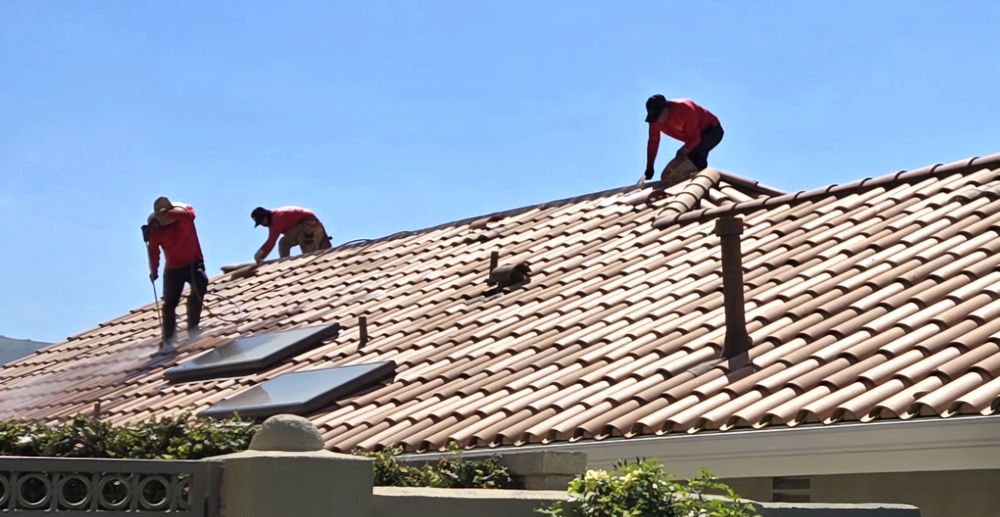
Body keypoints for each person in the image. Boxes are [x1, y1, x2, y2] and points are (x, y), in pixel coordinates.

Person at [144, 197, 208, 346]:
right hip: (173, 269)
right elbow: (153, 251)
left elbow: (189, 215)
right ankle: (169, 338)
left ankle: (193, 328)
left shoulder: (184, 219)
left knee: (200, 284)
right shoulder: (156, 230)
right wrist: (154, 271)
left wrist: (168, 213)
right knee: (170, 303)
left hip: (194, 262)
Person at [643, 94, 724, 183]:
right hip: (694, 139)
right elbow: (653, 142)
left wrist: (684, 150)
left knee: (692, 160)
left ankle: (702, 183)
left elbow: (695, 137)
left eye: (658, 116)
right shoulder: (654, 121)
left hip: (712, 131)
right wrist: (649, 168)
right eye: (654, 117)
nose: (657, 120)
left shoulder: (685, 109)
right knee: (668, 174)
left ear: (666, 109)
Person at [251, 206, 332, 263]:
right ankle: (285, 263)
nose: (262, 224)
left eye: (262, 221)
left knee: (309, 257)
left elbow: (271, 242)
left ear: (266, 215)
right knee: (283, 243)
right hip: (307, 225)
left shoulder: (277, 218)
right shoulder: (274, 219)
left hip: (308, 225)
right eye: (260, 223)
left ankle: (288, 264)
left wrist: (259, 256)